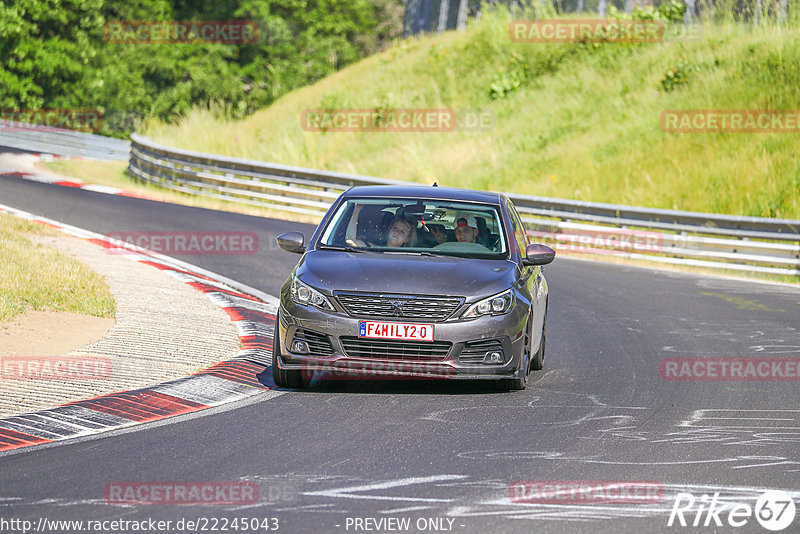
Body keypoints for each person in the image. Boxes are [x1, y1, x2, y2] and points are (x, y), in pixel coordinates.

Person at [346, 204, 414, 247]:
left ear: (407, 239)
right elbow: (351, 240)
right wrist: (357, 210)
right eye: (395, 228)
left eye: (402, 232)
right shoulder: (373, 249)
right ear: (389, 230)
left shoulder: (409, 258)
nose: (397, 232)